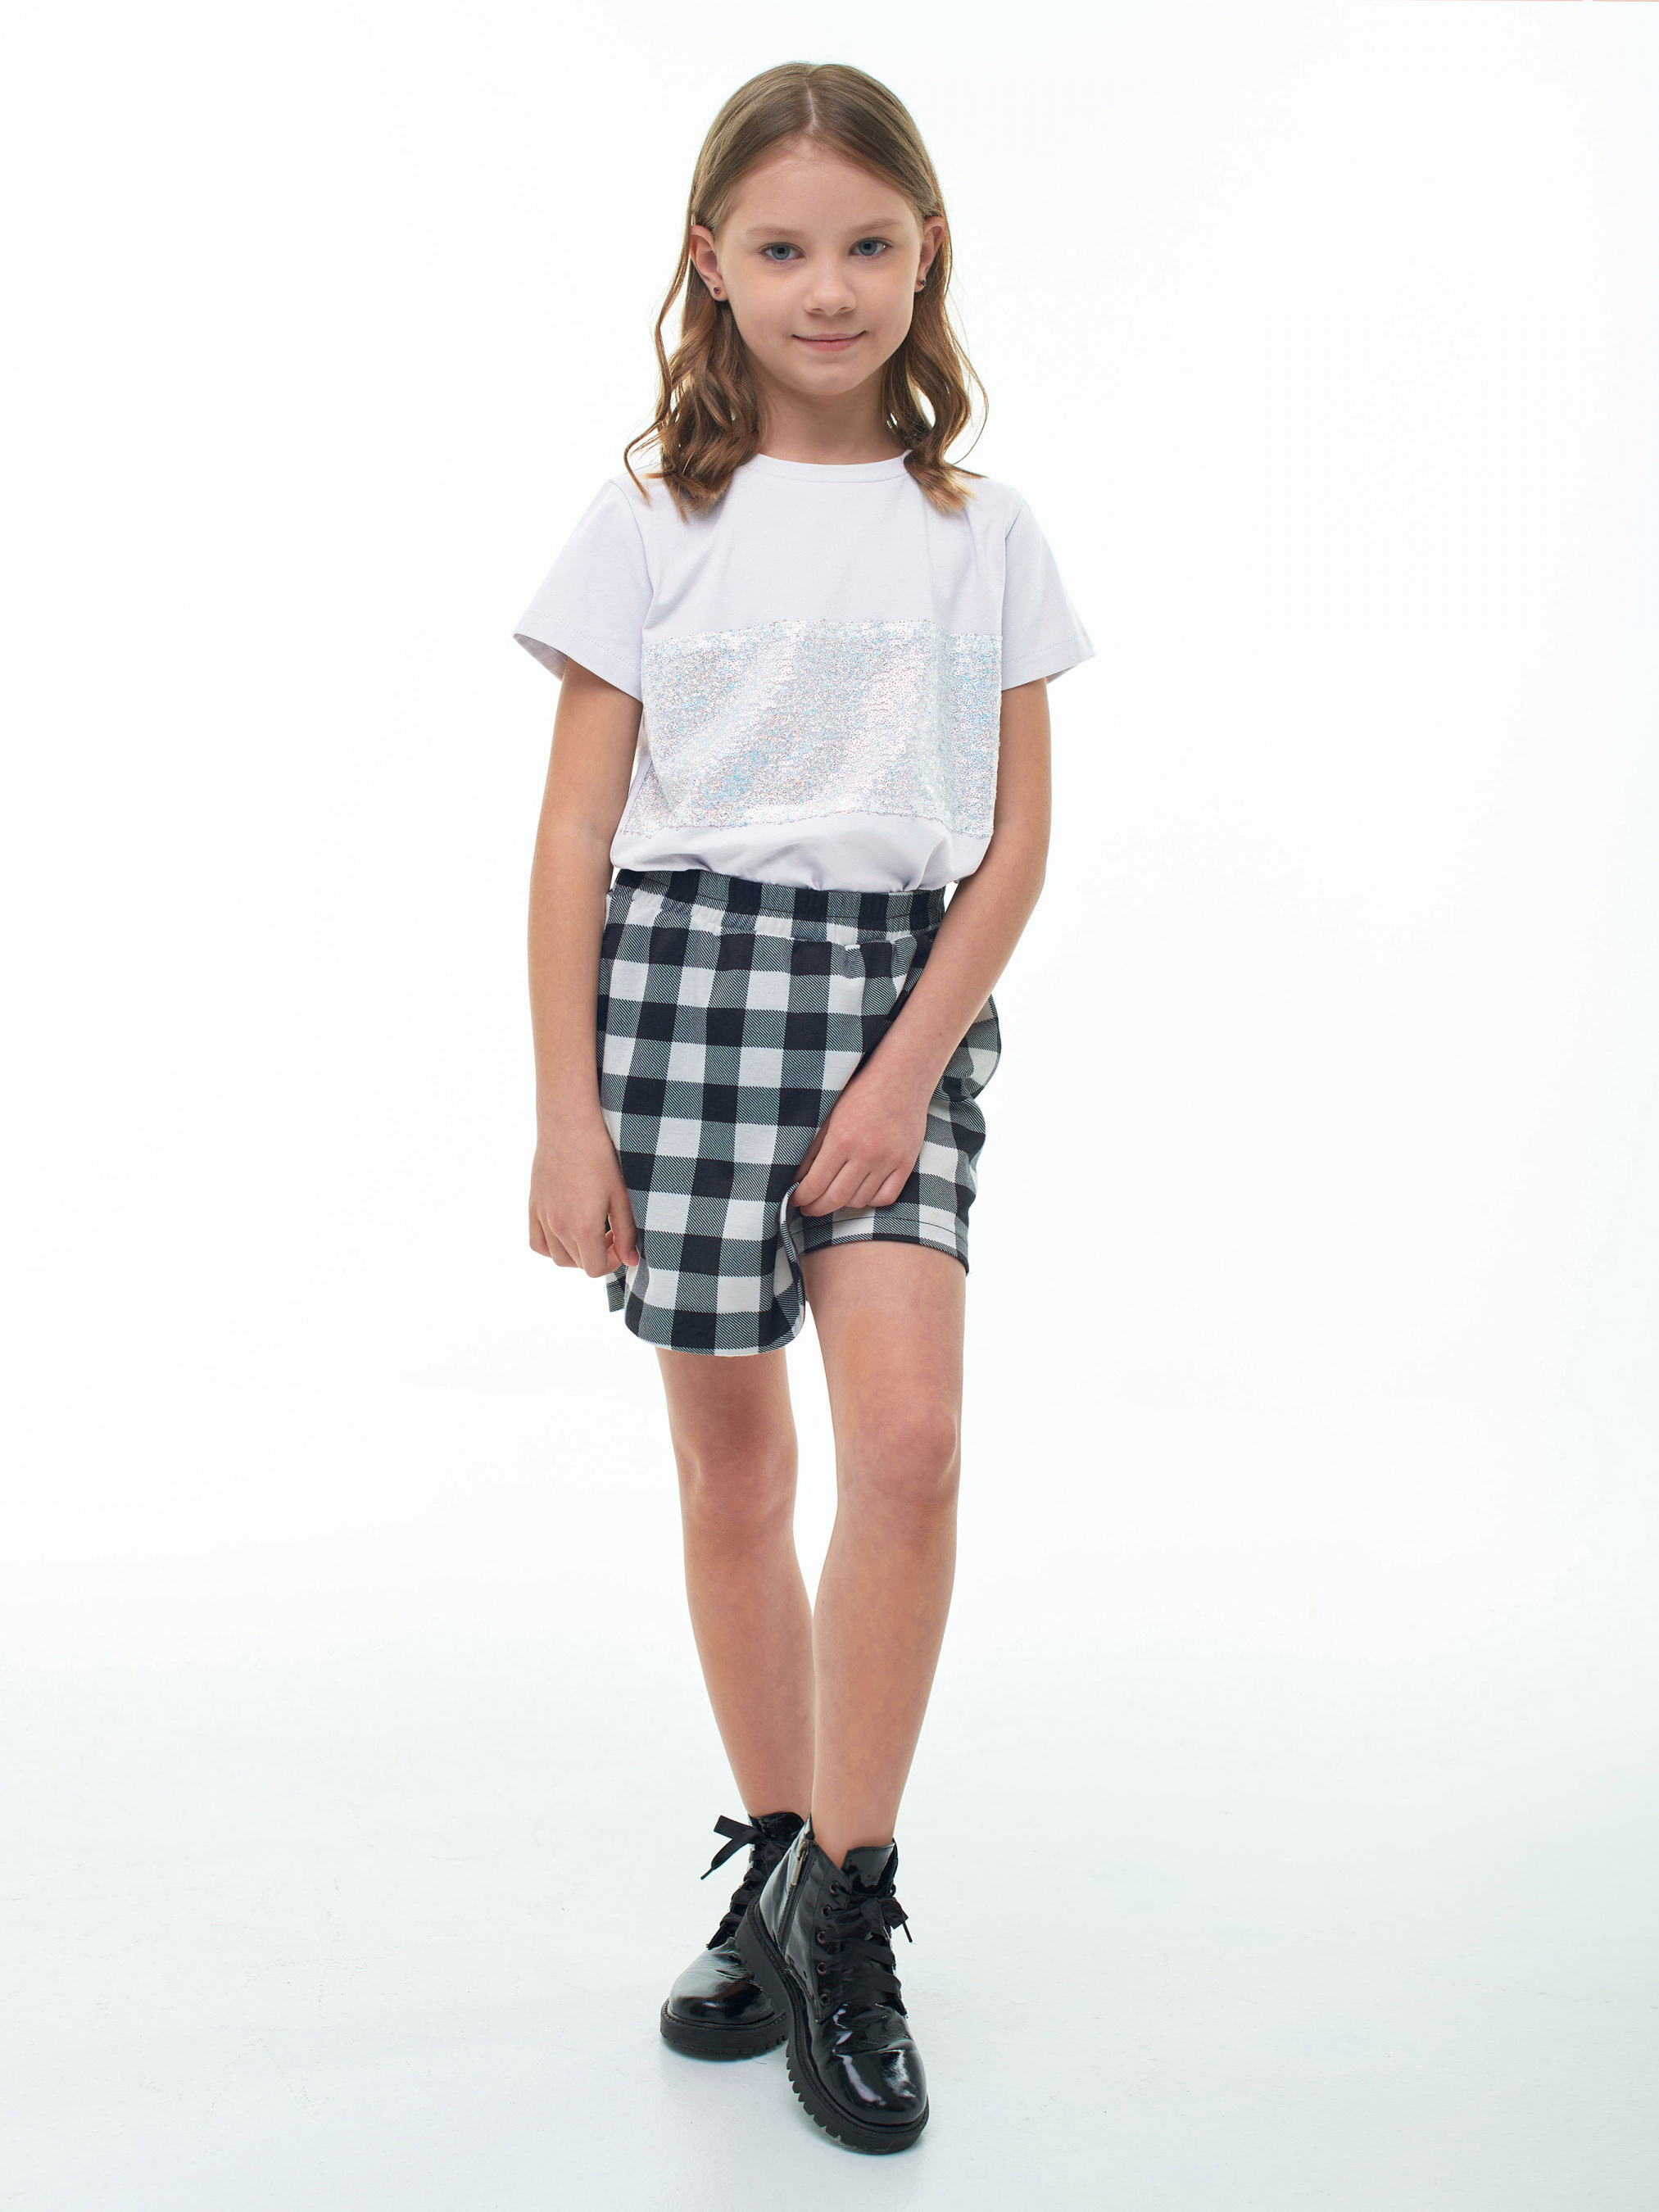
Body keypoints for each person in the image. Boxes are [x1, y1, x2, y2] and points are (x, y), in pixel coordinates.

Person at [514, 60, 1092, 2155]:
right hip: (680, 989)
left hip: (895, 996)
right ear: (709, 264)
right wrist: (566, 1114)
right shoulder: (647, 520)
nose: (825, 287)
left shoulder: (979, 532)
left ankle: (849, 1903)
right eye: (779, 248)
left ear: (925, 255)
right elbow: (572, 837)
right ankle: (770, 1860)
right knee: (736, 1464)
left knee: (908, 1447)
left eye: (864, 245)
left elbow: (1013, 845)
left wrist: (907, 1065)